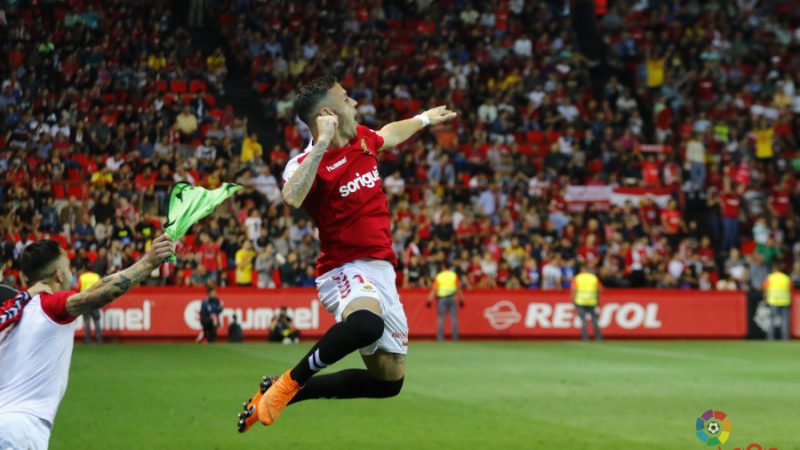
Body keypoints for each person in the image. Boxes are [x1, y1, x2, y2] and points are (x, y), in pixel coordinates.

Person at [237, 74, 456, 432]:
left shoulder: (363, 140)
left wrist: (425, 119)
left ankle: (285, 391)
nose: (354, 101)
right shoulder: (304, 162)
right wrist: (322, 141)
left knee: (389, 382)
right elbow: (291, 197)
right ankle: (290, 382)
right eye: (346, 98)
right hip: (343, 268)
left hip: (382, 269)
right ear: (328, 112)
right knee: (367, 325)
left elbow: (390, 133)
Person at [0, 234, 174, 449]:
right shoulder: (50, 304)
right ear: (59, 274)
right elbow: (92, 296)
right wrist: (148, 263)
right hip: (22, 430)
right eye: (69, 267)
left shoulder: (15, 310)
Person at [426, 264, 465, 341]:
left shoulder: (439, 276)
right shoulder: (453, 275)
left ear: (443, 267)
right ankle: (455, 337)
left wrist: (429, 299)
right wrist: (461, 299)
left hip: (442, 299)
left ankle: (440, 338)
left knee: (441, 318)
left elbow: (435, 289)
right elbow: (458, 288)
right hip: (452, 298)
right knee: (454, 318)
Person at [571, 265, 603, 341]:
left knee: (583, 321)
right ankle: (598, 337)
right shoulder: (594, 278)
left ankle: (585, 337)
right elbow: (599, 289)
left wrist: (573, 300)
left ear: (582, 270)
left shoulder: (577, 278)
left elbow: (574, 290)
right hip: (592, 301)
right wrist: (597, 299)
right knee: (594, 320)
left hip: (580, 301)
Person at [763, 264, 792, 341]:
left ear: (774, 269)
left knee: (771, 320)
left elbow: (765, 290)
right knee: (785, 321)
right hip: (785, 301)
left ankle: (770, 338)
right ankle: (785, 338)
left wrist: (765, 299)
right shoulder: (786, 278)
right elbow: (790, 290)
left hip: (773, 301)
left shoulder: (770, 277)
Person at [76, 266, 103, 344]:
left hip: (85, 301)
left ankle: (87, 339)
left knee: (87, 320)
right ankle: (99, 339)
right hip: (94, 300)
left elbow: (78, 289)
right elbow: (101, 287)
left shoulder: (82, 277)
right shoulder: (96, 276)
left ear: (85, 269)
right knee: (96, 320)